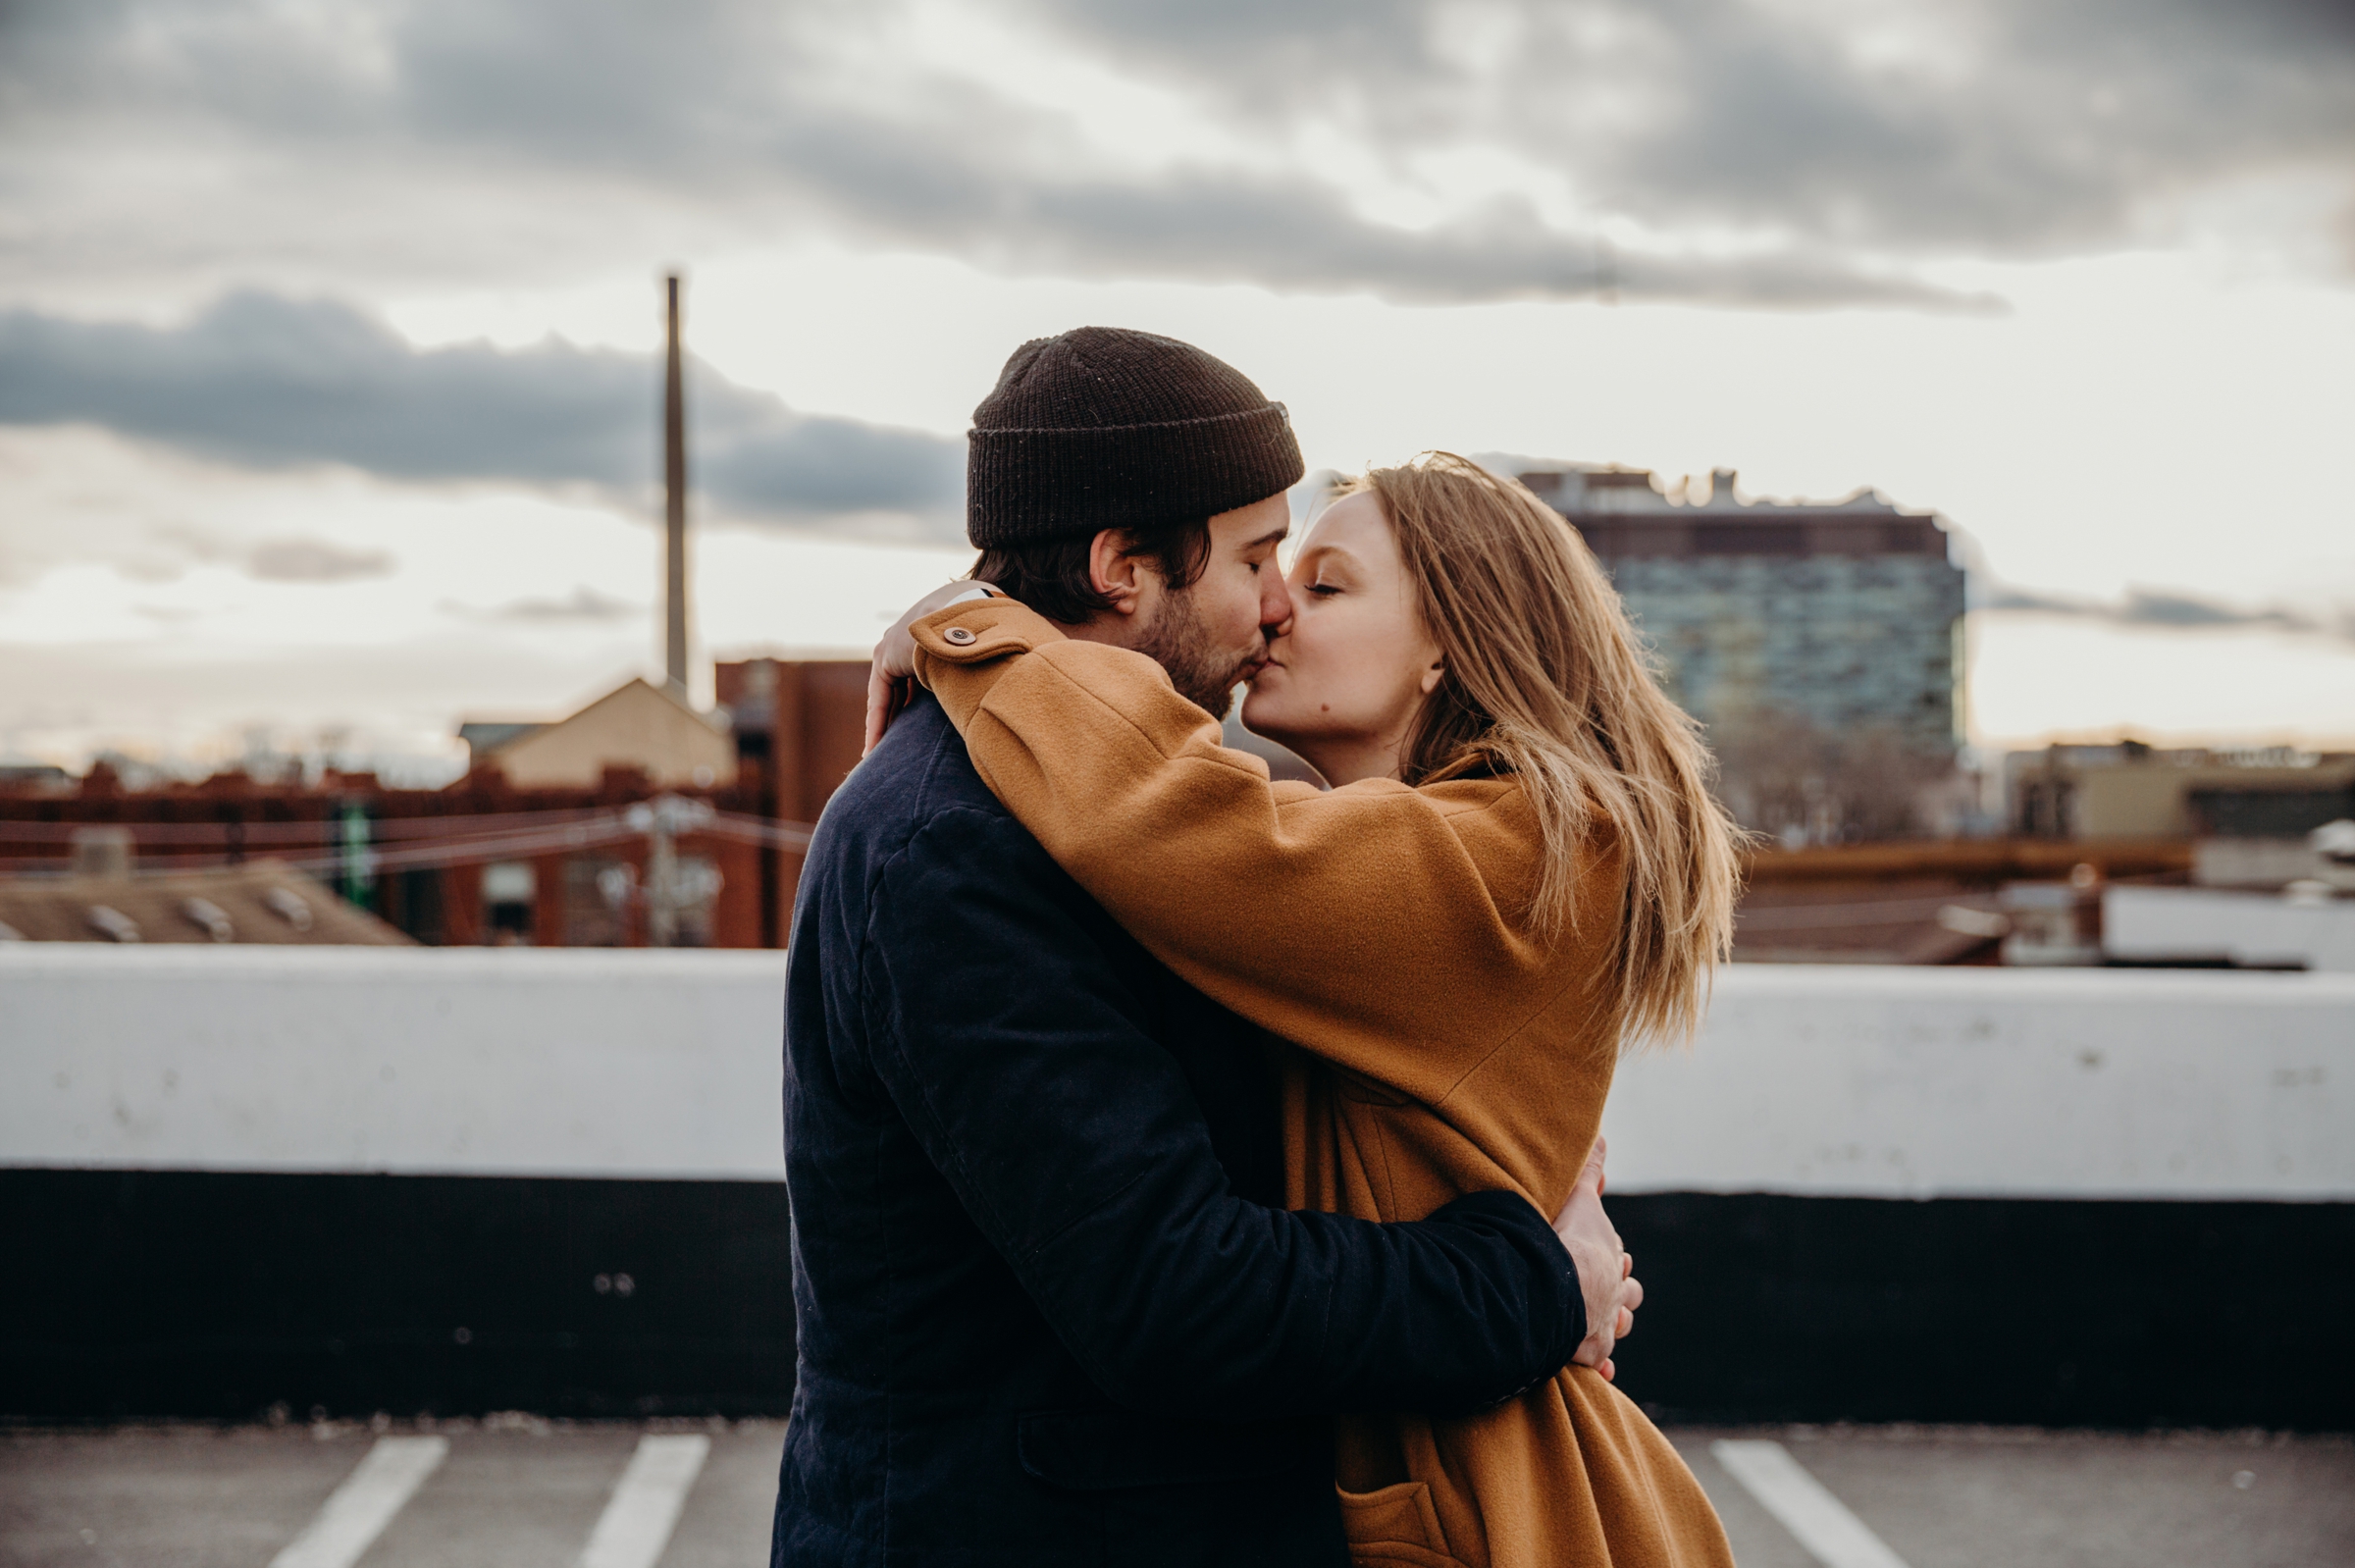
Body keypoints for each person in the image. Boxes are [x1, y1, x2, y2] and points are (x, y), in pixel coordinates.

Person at [773, 331, 1643, 1568]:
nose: (1277, 599)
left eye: (1311, 572)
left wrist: (968, 631)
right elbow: (1176, 1296)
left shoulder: (1197, 815)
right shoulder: (959, 840)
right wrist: (1540, 1284)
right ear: (1123, 567)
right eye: (1255, 556)